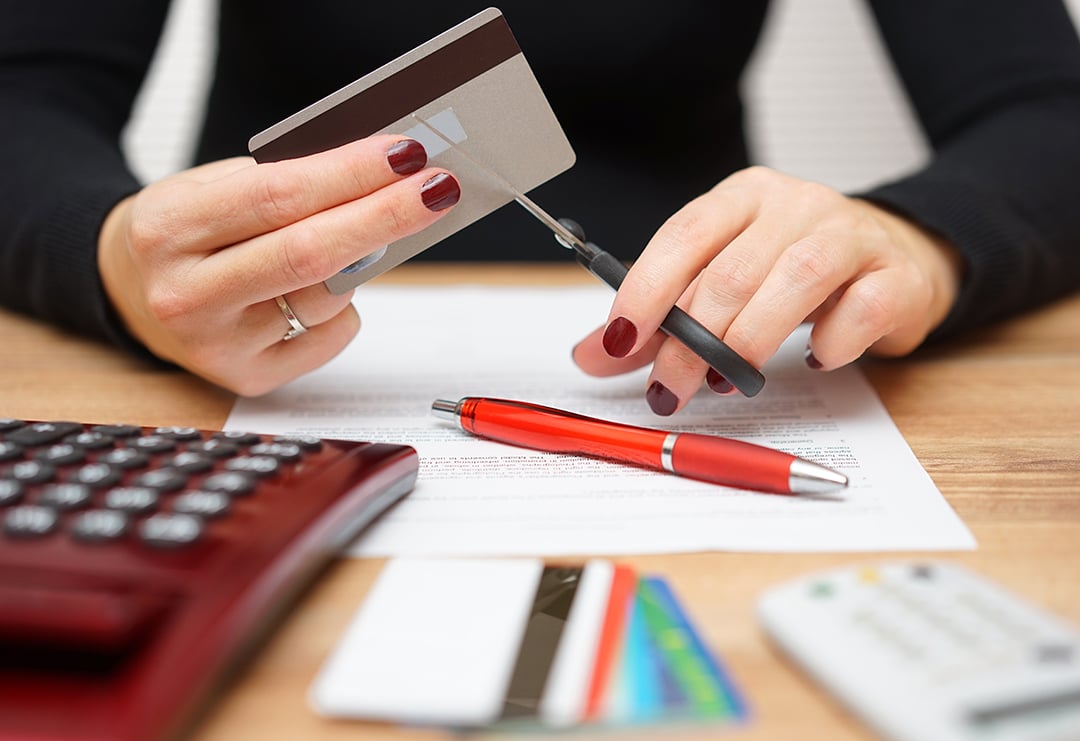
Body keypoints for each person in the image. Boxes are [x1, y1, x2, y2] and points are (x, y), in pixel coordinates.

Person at [2, 2, 1080, 416]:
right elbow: (22, 97)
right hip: (227, 374)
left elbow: (1049, 112)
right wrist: (107, 260)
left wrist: (921, 240)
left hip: (707, 374)